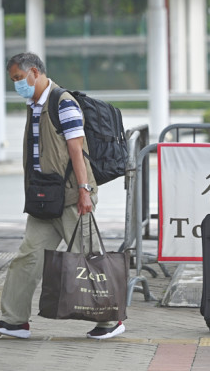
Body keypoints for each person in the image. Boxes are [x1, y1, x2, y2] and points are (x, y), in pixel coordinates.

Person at [0, 52, 125, 340]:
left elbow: (76, 150)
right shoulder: (34, 105)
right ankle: (14, 320)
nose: (17, 85)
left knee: (89, 257)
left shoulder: (62, 102)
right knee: (28, 257)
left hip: (71, 196)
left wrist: (84, 191)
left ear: (34, 72)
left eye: (19, 78)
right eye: (13, 81)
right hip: (45, 196)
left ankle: (111, 320)